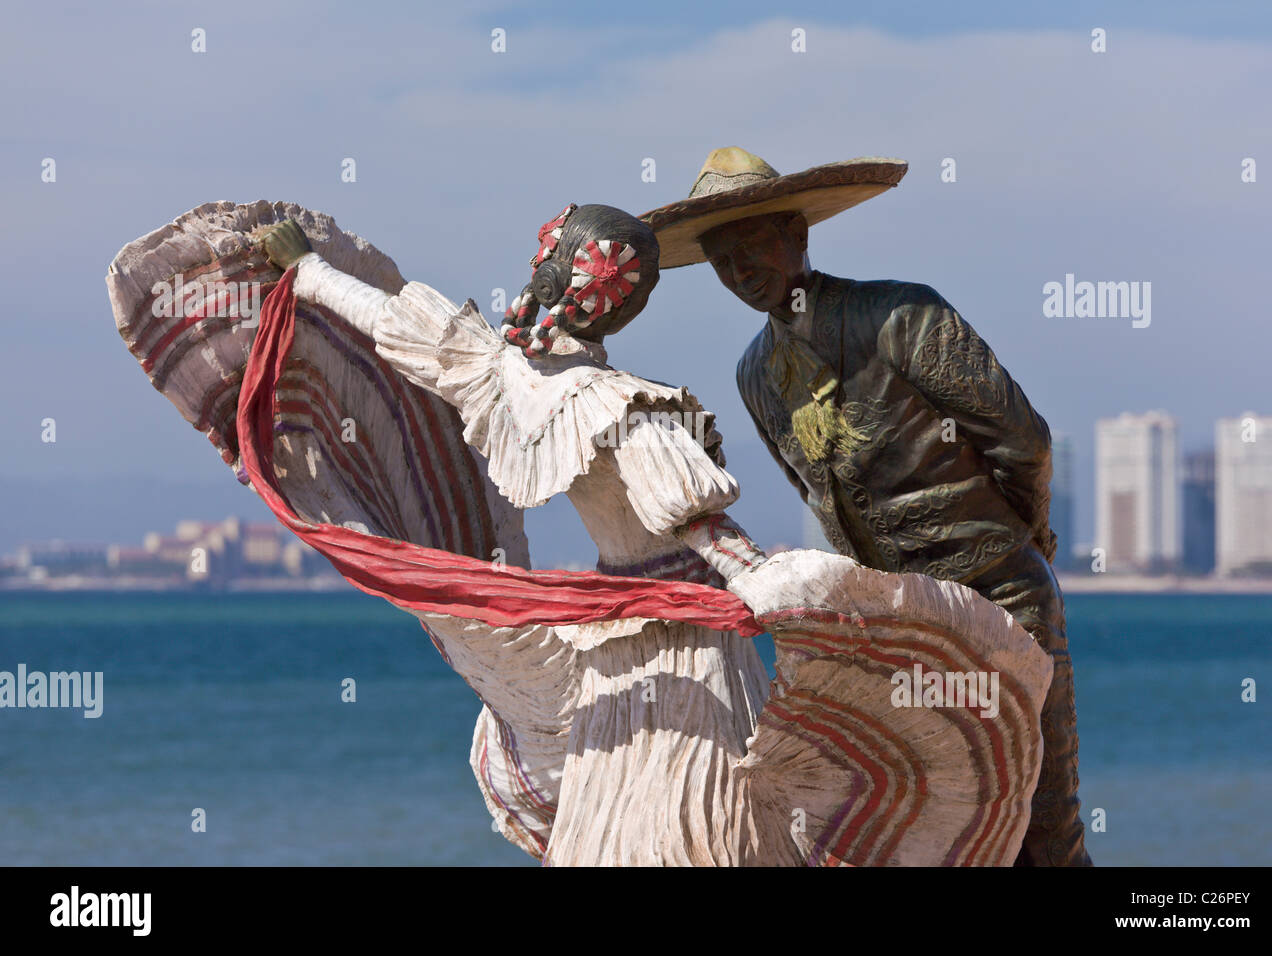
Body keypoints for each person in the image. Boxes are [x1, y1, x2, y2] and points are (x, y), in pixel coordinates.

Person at [109, 199, 1053, 865]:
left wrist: (308, 274)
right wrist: (778, 586)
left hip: (622, 643)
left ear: (553, 273)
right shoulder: (613, 402)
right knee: (695, 819)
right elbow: (708, 540)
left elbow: (405, 332)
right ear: (618, 302)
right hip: (685, 635)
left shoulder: (513, 376)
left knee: (626, 814)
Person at [643, 147, 1091, 867]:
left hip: (999, 597)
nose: (741, 270)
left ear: (796, 235)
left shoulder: (900, 315)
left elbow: (1023, 441)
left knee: (1042, 824)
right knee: (925, 830)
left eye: (755, 244)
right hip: (895, 622)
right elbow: (814, 496)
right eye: (723, 259)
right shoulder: (755, 372)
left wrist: (1025, 535)